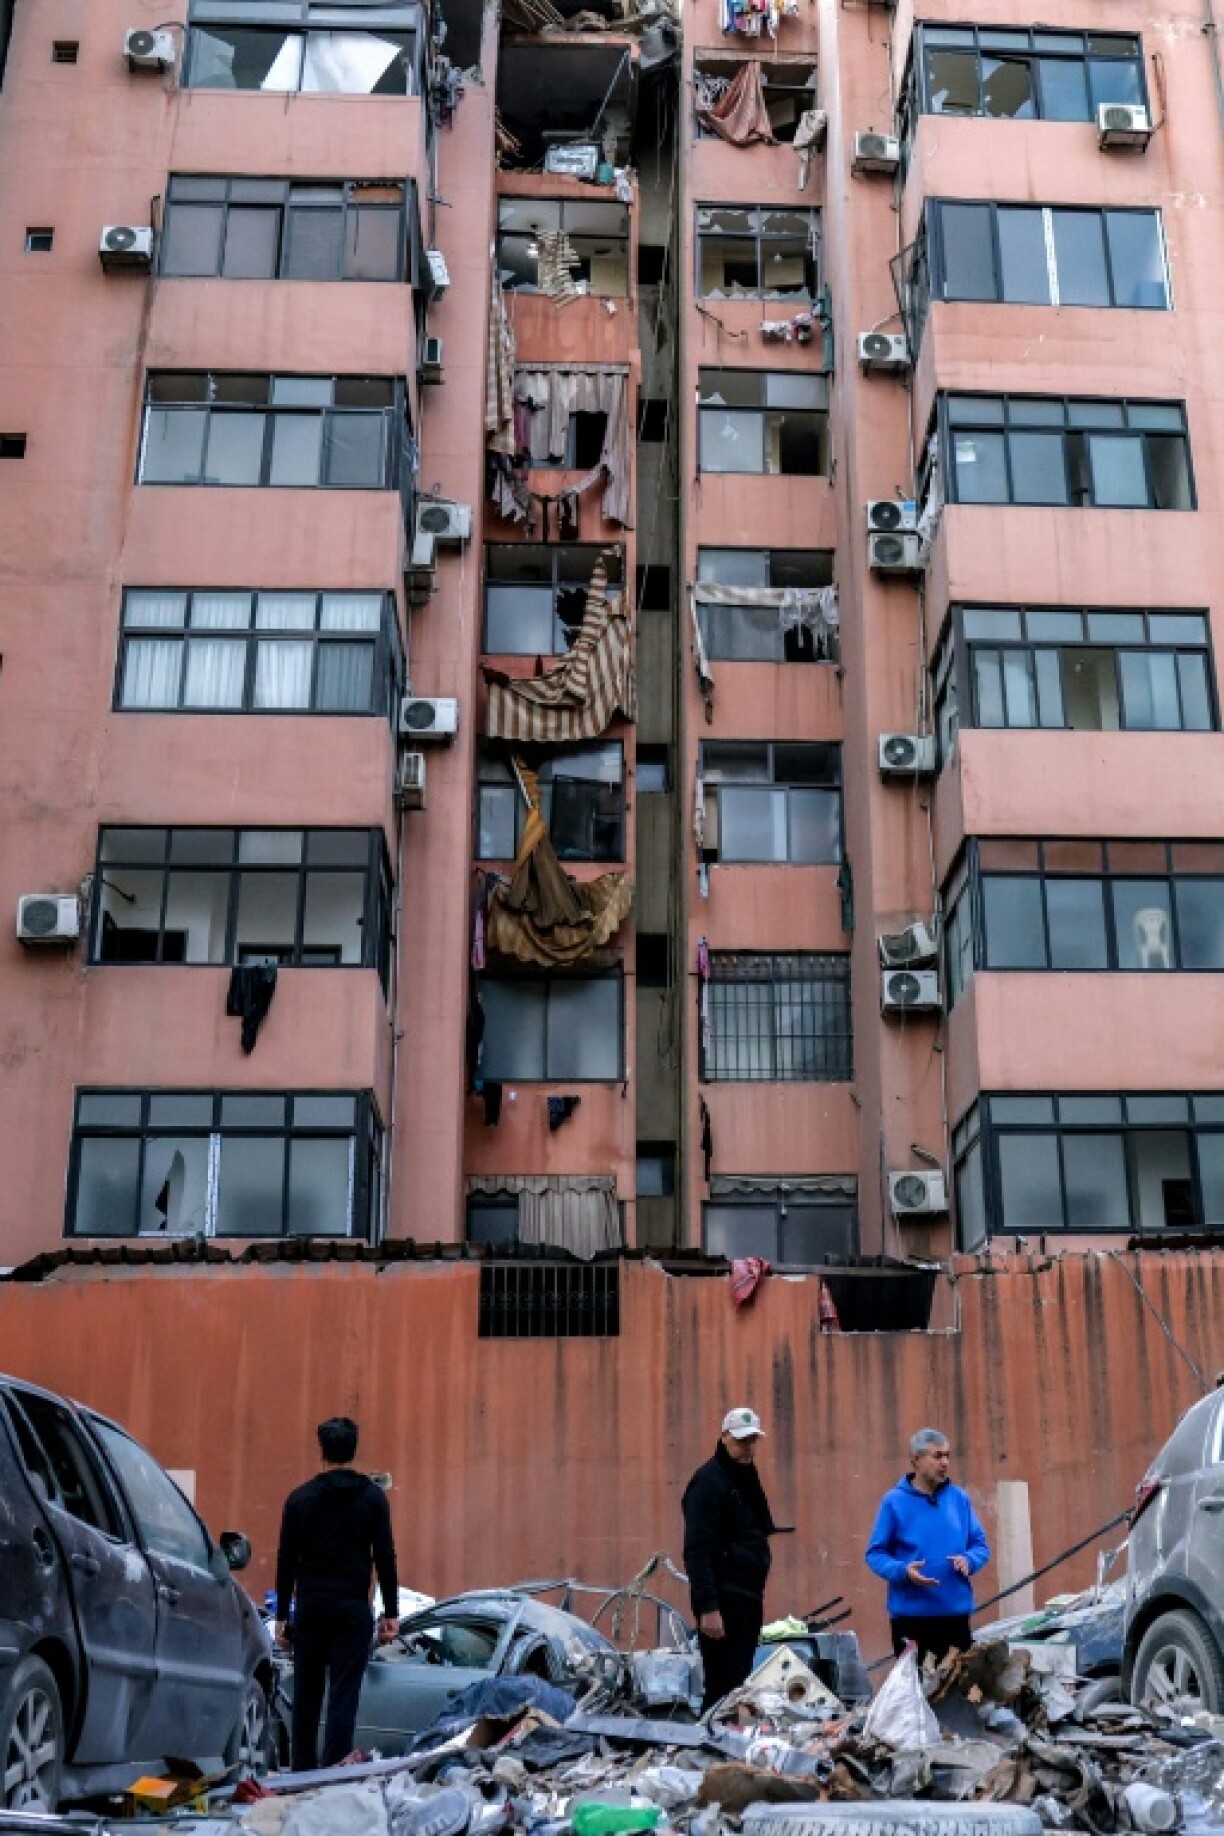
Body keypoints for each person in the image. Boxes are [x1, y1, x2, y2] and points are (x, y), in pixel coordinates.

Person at [275, 1416, 400, 1770]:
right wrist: (390, 1612)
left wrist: (283, 1617)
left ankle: (300, 1775)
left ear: (322, 1451)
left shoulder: (299, 1500)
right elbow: (385, 1557)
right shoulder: (373, 1499)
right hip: (351, 1611)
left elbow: (287, 1561)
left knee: (307, 1699)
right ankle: (332, 1777)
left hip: (312, 1610)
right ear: (353, 1450)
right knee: (343, 1700)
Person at [682, 1406, 782, 1713]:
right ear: (724, 1437)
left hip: (748, 1593)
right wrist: (709, 1608)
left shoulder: (745, 1477)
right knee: (721, 1683)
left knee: (738, 1679)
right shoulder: (708, 1481)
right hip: (724, 1598)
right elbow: (697, 1550)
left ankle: (728, 1741)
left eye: (752, 1440)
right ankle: (710, 1743)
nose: (748, 1447)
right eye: (741, 1440)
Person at [865, 1427, 990, 1664]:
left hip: (955, 1618)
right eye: (937, 1456)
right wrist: (903, 1571)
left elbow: (980, 1546)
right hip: (911, 1621)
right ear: (916, 1460)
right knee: (916, 1694)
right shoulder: (894, 1501)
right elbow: (876, 1554)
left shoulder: (959, 1498)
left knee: (956, 1694)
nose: (945, 1462)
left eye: (947, 1456)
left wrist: (969, 1560)